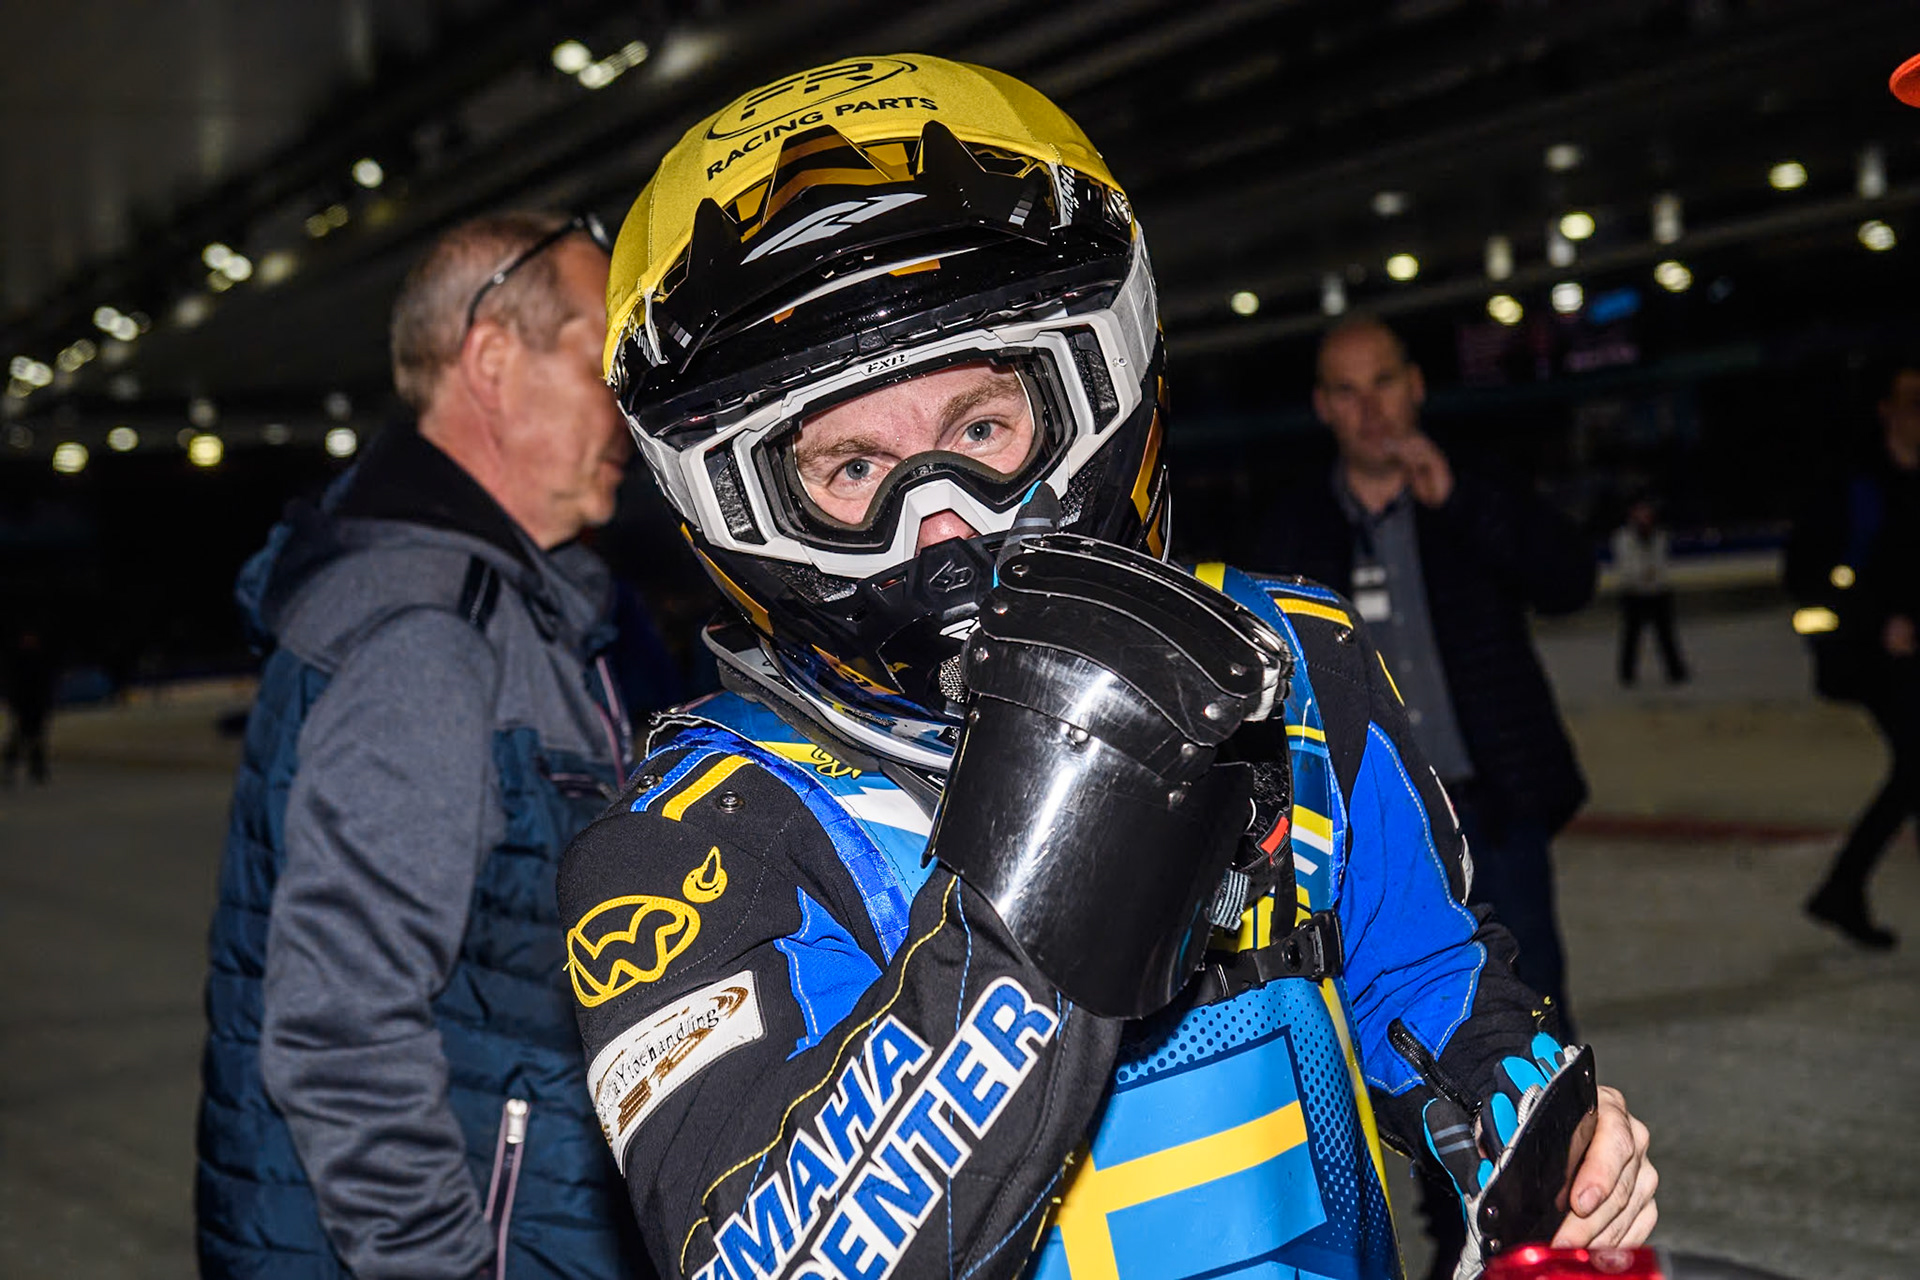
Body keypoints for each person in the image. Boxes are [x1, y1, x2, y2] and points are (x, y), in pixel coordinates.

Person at [559, 56, 1654, 1280]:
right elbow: (767, 1259)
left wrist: (1530, 1126)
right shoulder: (689, 842)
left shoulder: (1282, 659)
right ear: (741, 499)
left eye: (982, 428)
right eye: (855, 470)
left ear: (1094, 388)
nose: (942, 521)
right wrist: (1054, 863)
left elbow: (1429, 968)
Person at [195, 211, 653, 1278]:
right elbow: (342, 1033)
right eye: (600, 358)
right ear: (491, 361)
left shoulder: (505, 605)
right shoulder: (427, 635)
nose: (628, 402)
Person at [1260, 318, 1594, 1028]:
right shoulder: (1294, 528)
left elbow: (1570, 582)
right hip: (1364, 835)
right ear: (1322, 406)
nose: (1369, 409)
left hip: (1493, 814)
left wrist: (1461, 501)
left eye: (1383, 382)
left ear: (1415, 386)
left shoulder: (1477, 487)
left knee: (1534, 1008)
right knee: (1384, 1024)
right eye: (1346, 391)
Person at [1787, 354, 1920, 951]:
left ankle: (1842, 890)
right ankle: (1842, 888)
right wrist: (1874, 625)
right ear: (1886, 410)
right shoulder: (1853, 486)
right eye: (1912, 402)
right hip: (1875, 660)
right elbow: (1806, 574)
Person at [1612, 499, 1689, 687]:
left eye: (1647, 514)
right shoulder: (1623, 538)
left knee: (1666, 634)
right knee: (1631, 636)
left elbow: (1662, 563)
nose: (1644, 518)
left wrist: (1653, 575)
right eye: (1640, 514)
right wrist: (1644, 574)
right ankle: (1627, 674)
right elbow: (1627, 566)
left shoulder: (1660, 536)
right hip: (1634, 592)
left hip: (1658, 591)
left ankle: (1676, 671)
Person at [1, 626, 57, 785]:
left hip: (37, 703)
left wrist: (47, 702)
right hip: (24, 703)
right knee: (20, 736)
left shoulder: (41, 659)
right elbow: (13, 683)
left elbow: (46, 683)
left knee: (36, 737)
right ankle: (13, 768)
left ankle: (36, 769)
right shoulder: (19, 660)